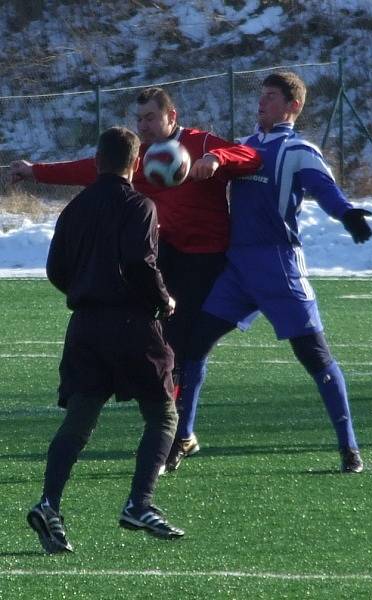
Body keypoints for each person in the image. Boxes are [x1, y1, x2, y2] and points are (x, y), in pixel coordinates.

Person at [10, 87, 261, 465]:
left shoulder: (199, 141)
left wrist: (215, 158)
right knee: (167, 347)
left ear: (171, 116)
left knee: (184, 348)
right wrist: (36, 172)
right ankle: (177, 430)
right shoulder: (139, 157)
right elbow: (88, 169)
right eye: (139, 119)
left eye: (150, 118)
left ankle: (176, 434)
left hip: (204, 260)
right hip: (165, 257)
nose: (143, 126)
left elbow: (252, 157)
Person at [165, 71, 372, 474]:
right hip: (238, 269)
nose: (262, 103)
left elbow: (324, 189)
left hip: (279, 269)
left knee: (315, 356)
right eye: (261, 96)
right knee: (192, 349)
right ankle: (181, 439)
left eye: (272, 97)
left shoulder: (299, 150)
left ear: (293, 106)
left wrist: (346, 213)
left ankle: (349, 446)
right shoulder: (241, 147)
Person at [27, 126, 184, 555]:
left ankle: (49, 504)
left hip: (84, 326)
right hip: (132, 326)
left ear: (96, 162)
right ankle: (139, 502)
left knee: (79, 420)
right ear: (136, 164)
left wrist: (86, 290)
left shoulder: (74, 210)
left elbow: (56, 270)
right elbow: (140, 261)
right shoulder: (140, 205)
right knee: (163, 415)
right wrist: (163, 298)